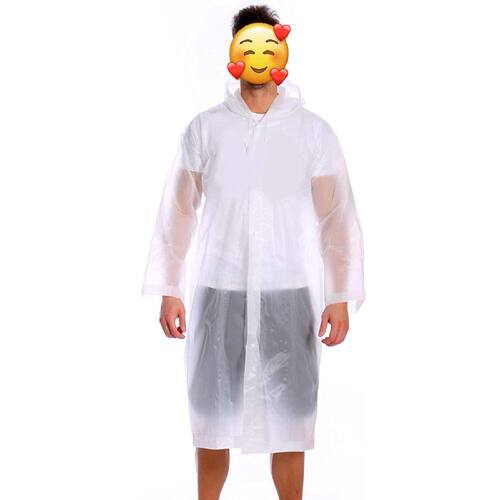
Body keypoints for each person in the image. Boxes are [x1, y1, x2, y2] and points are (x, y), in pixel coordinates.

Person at [142, 4, 366, 499]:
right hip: (219, 293)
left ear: (282, 50)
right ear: (234, 53)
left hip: (289, 293)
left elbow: (337, 217)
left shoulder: (312, 132)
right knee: (211, 418)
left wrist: (339, 295)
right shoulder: (206, 130)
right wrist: (169, 288)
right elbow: (178, 211)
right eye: (249, 45)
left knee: (291, 423)